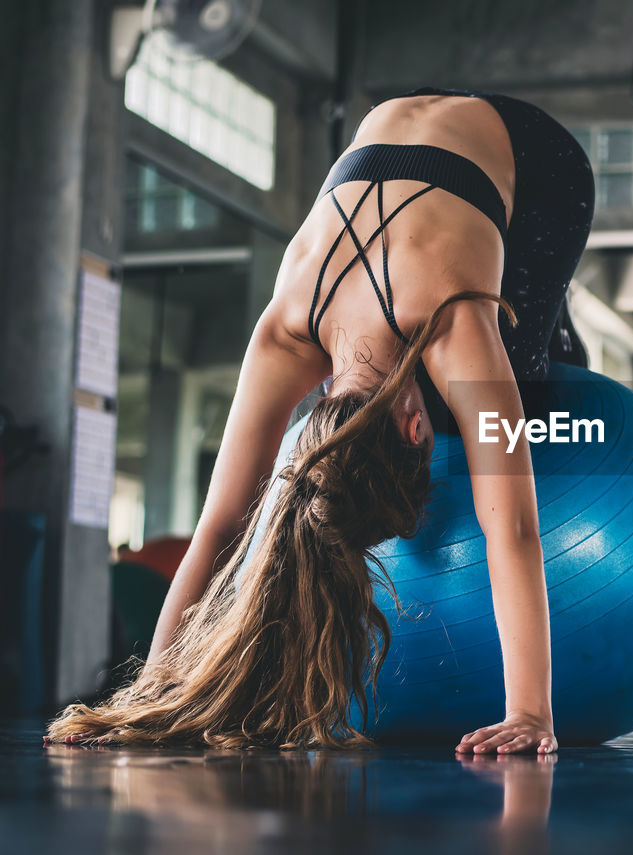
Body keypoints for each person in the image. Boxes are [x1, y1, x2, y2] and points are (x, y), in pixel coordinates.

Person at [46, 85, 595, 751]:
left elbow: (511, 525)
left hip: (534, 157)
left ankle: (562, 340)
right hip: (397, 114)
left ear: (417, 431)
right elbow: (220, 528)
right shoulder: (287, 324)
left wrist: (532, 712)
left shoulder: (456, 318)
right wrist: (147, 703)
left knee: (526, 382)